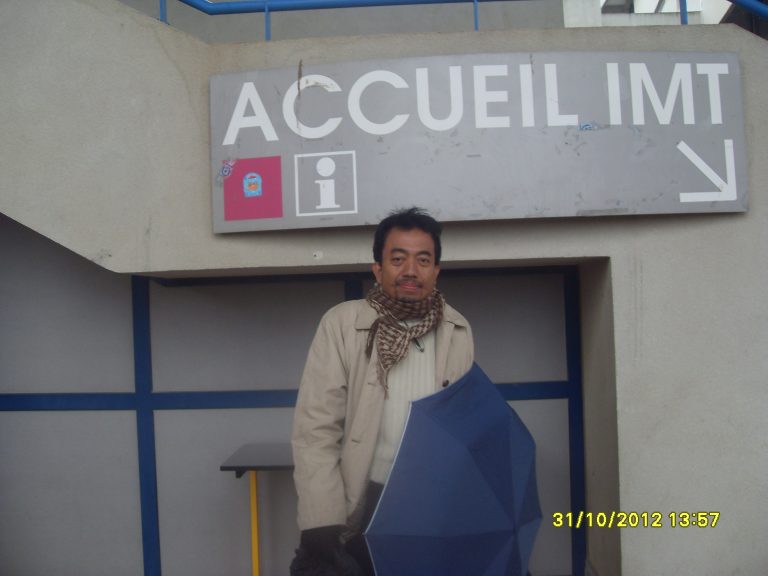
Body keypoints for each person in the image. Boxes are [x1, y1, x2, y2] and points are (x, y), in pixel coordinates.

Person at [290, 207, 475, 576]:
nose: (411, 270)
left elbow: (465, 423)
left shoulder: (457, 329)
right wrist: (322, 521)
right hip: (366, 498)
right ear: (378, 269)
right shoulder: (343, 324)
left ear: (436, 271)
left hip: (431, 500)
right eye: (398, 258)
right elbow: (316, 429)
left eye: (423, 260)